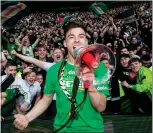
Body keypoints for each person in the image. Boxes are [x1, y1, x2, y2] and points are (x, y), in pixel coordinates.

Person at [13, 22, 110, 132]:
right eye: (71, 37)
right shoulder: (54, 70)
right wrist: (26, 118)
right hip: (62, 129)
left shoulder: (98, 66)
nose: (77, 40)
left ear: (87, 42)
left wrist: (89, 83)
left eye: (81, 36)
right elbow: (46, 100)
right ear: (65, 43)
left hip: (93, 129)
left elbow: (101, 107)